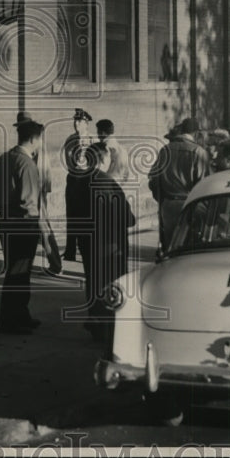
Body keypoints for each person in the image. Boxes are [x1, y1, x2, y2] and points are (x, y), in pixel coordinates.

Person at [0, 117, 46, 335]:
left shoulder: (4, 158)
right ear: (34, 139)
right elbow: (29, 200)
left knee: (18, 271)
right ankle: (9, 320)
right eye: (41, 139)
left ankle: (21, 314)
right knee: (18, 273)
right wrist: (39, 227)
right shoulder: (27, 163)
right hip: (23, 224)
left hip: (6, 220)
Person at [84, 142, 135, 343]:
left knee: (95, 284)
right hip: (111, 244)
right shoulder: (108, 183)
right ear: (104, 159)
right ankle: (108, 329)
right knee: (111, 287)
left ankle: (96, 322)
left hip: (91, 243)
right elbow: (127, 218)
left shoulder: (81, 180)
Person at [148, 116, 211, 251]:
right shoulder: (198, 152)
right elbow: (204, 183)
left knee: (170, 249)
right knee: (191, 249)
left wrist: (162, 200)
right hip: (191, 204)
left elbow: (153, 180)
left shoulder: (165, 150)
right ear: (196, 133)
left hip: (168, 205)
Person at [62, 108, 94, 262]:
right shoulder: (70, 139)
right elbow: (69, 159)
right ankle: (70, 250)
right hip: (73, 178)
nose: (76, 123)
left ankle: (86, 248)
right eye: (75, 120)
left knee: (85, 215)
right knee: (71, 215)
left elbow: (89, 162)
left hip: (86, 179)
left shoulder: (92, 140)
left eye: (80, 121)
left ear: (86, 123)